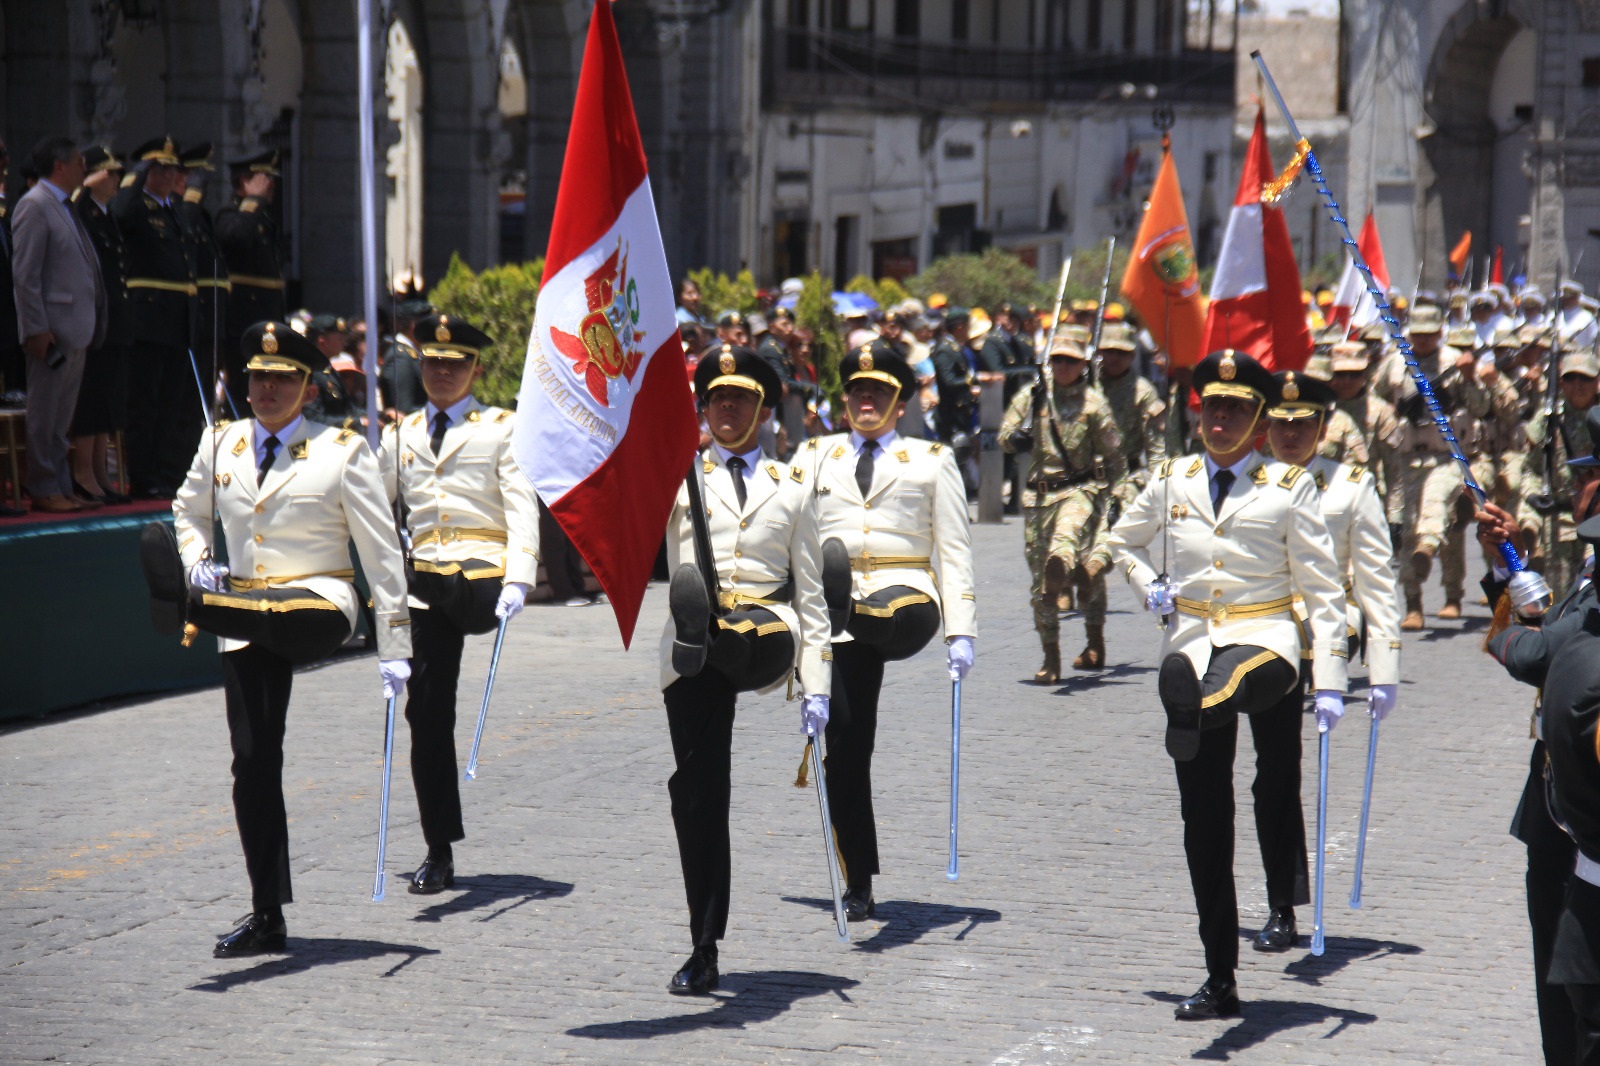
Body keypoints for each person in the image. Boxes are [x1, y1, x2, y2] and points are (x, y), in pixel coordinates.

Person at [138, 321, 411, 956]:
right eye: (259, 377)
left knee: (264, 610)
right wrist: (197, 558)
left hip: (318, 603)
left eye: (283, 379)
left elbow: (381, 553)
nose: (267, 388)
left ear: (308, 390)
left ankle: (195, 606)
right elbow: (187, 509)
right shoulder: (221, 443)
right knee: (253, 763)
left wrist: (396, 645)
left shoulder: (342, 451)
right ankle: (268, 914)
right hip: (242, 615)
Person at [1107, 350, 1349, 1021]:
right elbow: (1122, 541)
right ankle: (1220, 976)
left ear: (1260, 420)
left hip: (1266, 643)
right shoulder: (1172, 478)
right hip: (1189, 645)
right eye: (1212, 407)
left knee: (1227, 682)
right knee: (1204, 820)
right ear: (1198, 413)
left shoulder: (1288, 486)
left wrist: (1331, 679)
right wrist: (1149, 587)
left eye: (1236, 410)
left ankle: (1196, 704)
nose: (1221, 420)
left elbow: (1324, 590)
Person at [659, 344, 834, 993]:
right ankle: (703, 943)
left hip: (766, 631)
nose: (728, 407)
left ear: (763, 409)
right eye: (717, 398)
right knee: (698, 792)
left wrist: (818, 685)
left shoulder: (793, 485)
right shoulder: (678, 477)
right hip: (694, 643)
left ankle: (710, 628)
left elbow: (811, 594)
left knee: (742, 632)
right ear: (702, 408)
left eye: (741, 398)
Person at [801, 341, 977, 921]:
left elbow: (953, 548)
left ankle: (848, 610)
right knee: (846, 748)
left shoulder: (930, 459)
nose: (866, 400)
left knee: (884, 611)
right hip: (836, 612)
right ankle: (859, 879)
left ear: (900, 403)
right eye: (857, 391)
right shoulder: (815, 455)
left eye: (878, 392)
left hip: (907, 595)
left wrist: (961, 629)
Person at [378, 314, 539, 894]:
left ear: (476, 369)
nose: (442, 372)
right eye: (433, 362)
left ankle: (429, 580)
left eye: (455, 364)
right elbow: (375, 510)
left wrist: (521, 576)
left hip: (482, 573)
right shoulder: (400, 436)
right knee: (425, 715)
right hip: (424, 580)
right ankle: (438, 848)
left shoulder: (501, 427)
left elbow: (521, 503)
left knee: (448, 588)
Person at [1478, 406, 1600, 1065]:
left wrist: (1507, 637)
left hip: (1583, 805)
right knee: (1559, 973)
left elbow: (1543, 650)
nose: (1578, 489)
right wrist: (1508, 566)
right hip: (1558, 791)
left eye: (1588, 477)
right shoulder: (1591, 562)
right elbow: (1553, 622)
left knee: (1577, 978)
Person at [1261, 368, 1400, 713]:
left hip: (1330, 613)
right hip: (1262, 614)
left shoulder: (1350, 486)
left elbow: (1376, 579)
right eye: (1281, 424)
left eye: (1302, 424)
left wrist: (1384, 669)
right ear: (1266, 428)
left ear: (1323, 430)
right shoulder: (1246, 485)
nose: (1290, 433)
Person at [998, 334, 1125, 680]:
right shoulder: (1033, 396)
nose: (1063, 366)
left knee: (1064, 545)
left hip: (1078, 491)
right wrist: (1015, 438)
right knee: (1041, 586)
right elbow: (1004, 434)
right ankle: (1050, 656)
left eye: (1070, 360)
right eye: (1057, 360)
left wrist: (1117, 499)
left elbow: (1115, 458)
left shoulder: (1094, 404)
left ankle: (1093, 636)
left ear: (1083, 364)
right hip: (1038, 498)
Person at [1374, 305, 1492, 629]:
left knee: (1437, 504)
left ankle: (1451, 592)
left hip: (1447, 456)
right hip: (1408, 458)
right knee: (1409, 529)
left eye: (1430, 334)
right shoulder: (1395, 363)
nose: (1423, 340)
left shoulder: (1455, 360)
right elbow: (1375, 399)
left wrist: (1469, 377)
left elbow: (1481, 406)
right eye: (1418, 334)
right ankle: (1413, 604)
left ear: (1440, 332)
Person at [11, 136, 105, 513]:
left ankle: (61, 485)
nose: (86, 167)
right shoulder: (35, 205)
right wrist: (35, 327)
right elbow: (26, 275)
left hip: (74, 328)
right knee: (45, 414)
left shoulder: (64, 204)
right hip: (51, 331)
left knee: (61, 419)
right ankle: (44, 485)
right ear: (60, 165)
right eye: (80, 161)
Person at [116, 137, 197, 498]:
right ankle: (143, 477)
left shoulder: (173, 210)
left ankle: (166, 472)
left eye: (171, 169)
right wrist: (136, 177)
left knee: (170, 403)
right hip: (148, 319)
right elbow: (119, 214)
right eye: (159, 168)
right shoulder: (137, 207)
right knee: (144, 403)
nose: (167, 175)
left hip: (177, 321)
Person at [68, 145, 132, 504]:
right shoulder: (82, 210)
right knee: (91, 397)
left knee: (108, 398)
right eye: (109, 172)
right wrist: (82, 189)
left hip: (113, 318)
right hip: (93, 318)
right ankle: (83, 473)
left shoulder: (105, 213)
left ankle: (100, 472)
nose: (116, 178)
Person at [215, 149, 284, 414]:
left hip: (266, 322)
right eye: (264, 178)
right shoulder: (230, 215)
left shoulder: (263, 219)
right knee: (244, 390)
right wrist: (253, 199)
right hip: (242, 324)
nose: (271, 184)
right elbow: (237, 236)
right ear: (245, 181)